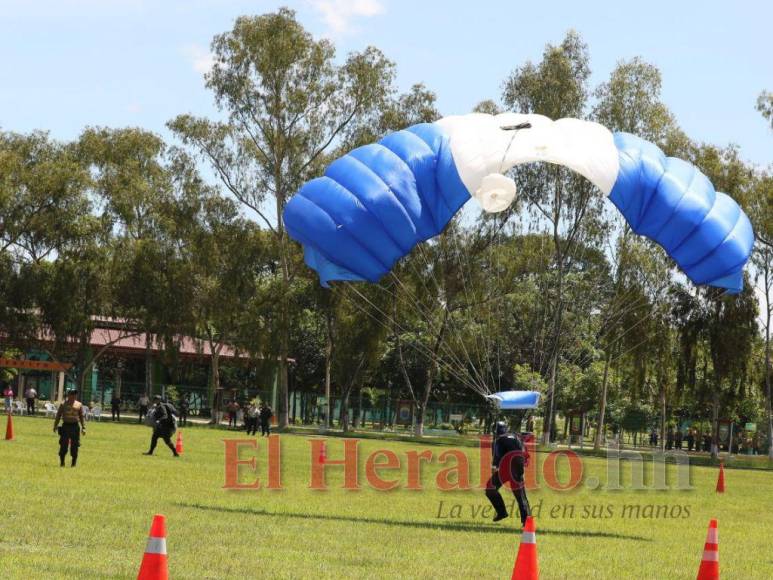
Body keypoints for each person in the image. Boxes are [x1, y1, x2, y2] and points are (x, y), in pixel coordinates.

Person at [485, 421, 530, 526]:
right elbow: (524, 451)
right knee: (520, 495)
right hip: (518, 467)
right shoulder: (516, 436)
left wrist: (494, 466)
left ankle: (501, 512)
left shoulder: (498, 440)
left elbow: (497, 455)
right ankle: (527, 521)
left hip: (506, 468)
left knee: (490, 488)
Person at [52, 388, 86, 467]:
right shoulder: (63, 404)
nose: (73, 396)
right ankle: (62, 462)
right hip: (66, 426)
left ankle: (73, 463)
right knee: (63, 445)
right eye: (72, 394)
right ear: (68, 395)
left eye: (75, 394)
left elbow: (81, 417)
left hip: (75, 427)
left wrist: (83, 427)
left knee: (75, 445)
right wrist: (55, 425)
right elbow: (58, 416)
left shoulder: (79, 404)